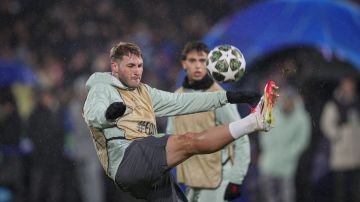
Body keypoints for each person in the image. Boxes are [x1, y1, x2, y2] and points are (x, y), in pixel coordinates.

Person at [82, 41, 278, 202]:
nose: (137, 71)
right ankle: (254, 121)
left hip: (150, 168)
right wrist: (109, 115)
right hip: (127, 158)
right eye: (130, 66)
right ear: (115, 68)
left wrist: (229, 97)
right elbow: (93, 114)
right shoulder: (102, 87)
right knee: (188, 141)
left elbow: (182, 101)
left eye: (140, 65)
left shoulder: (145, 92)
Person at [166, 41, 251, 202]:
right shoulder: (177, 96)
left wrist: (236, 180)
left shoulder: (219, 96)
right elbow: (170, 137)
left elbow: (241, 137)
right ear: (184, 64)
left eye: (203, 61)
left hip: (217, 180)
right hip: (190, 179)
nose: (198, 66)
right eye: (193, 61)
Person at [258, 85, 311, 202]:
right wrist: (269, 150)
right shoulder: (272, 113)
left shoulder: (302, 118)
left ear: (293, 101)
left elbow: (302, 140)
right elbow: (264, 133)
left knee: (287, 193)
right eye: (284, 100)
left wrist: (290, 153)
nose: (286, 102)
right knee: (268, 193)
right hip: (270, 159)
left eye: (288, 100)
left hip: (288, 162)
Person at [320, 76, 360, 202]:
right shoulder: (334, 104)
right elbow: (326, 125)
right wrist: (338, 135)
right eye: (347, 83)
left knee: (356, 189)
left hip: (356, 153)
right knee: (340, 190)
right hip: (341, 153)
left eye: (351, 84)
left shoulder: (357, 103)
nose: (349, 87)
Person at [69, 76, 105, 202]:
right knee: (83, 184)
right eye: (80, 90)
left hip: (93, 152)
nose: (83, 93)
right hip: (79, 152)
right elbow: (75, 128)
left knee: (94, 183)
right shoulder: (73, 107)